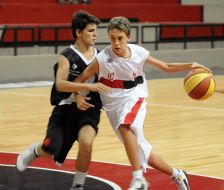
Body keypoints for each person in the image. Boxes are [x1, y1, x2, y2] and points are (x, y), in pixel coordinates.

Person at [74, 16, 211, 190]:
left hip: (134, 95)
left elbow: (166, 67)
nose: (116, 43)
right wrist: (78, 95)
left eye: (120, 38)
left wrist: (190, 64)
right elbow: (80, 79)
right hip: (112, 104)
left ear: (128, 37)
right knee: (143, 153)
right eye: (112, 38)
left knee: (125, 127)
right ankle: (178, 174)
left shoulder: (139, 53)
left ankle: (138, 178)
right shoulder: (102, 58)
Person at [16, 10, 109, 190]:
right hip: (65, 108)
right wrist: (85, 89)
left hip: (88, 109)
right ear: (78, 32)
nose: (95, 34)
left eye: (95, 30)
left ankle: (78, 186)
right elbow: (60, 84)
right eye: (90, 30)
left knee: (87, 143)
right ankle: (35, 151)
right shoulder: (67, 56)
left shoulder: (100, 56)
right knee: (50, 148)